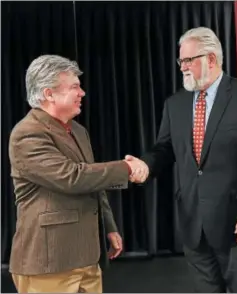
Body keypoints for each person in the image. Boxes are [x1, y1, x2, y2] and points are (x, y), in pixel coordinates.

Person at [127, 27, 237, 292]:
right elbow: (165, 149)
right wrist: (145, 165)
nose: (183, 67)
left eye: (189, 60)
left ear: (211, 59)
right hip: (194, 228)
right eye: (181, 61)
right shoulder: (175, 104)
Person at [8, 54, 148, 293]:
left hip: (87, 258)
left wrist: (109, 226)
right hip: (49, 262)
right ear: (49, 93)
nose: (82, 93)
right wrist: (126, 168)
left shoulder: (78, 131)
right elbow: (72, 177)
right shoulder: (27, 134)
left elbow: (92, 183)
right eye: (74, 87)